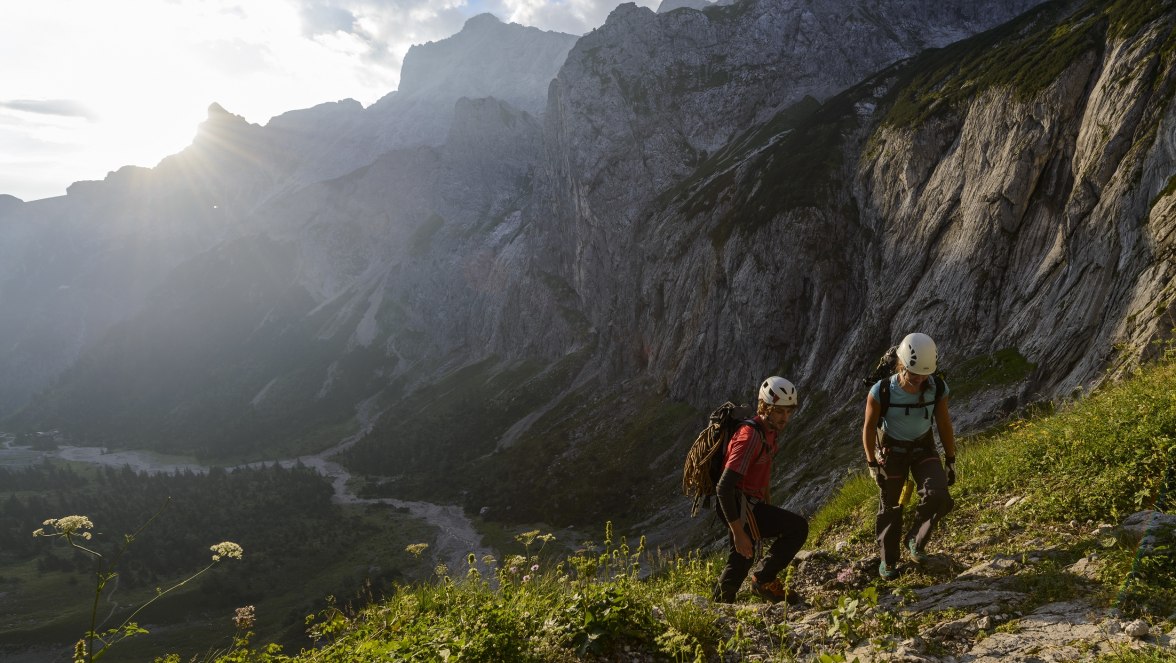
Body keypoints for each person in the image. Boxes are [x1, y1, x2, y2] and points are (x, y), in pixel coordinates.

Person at [862, 332, 957, 579]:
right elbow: (869, 428)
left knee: (939, 495)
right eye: (913, 374)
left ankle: (915, 540)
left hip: (923, 448)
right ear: (901, 365)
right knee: (891, 506)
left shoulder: (937, 389)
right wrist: (872, 463)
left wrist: (950, 459)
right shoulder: (881, 391)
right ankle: (889, 561)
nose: (918, 381)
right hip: (891, 451)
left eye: (924, 376)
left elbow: (944, 424)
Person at [713, 376, 810, 604]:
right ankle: (763, 579)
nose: (785, 418)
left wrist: (766, 502)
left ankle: (719, 606)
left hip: (748, 503)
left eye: (788, 412)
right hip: (738, 504)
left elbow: (763, 469)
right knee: (797, 528)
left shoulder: (770, 430)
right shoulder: (749, 437)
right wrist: (738, 532)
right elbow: (724, 487)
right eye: (779, 412)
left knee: (741, 559)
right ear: (764, 407)